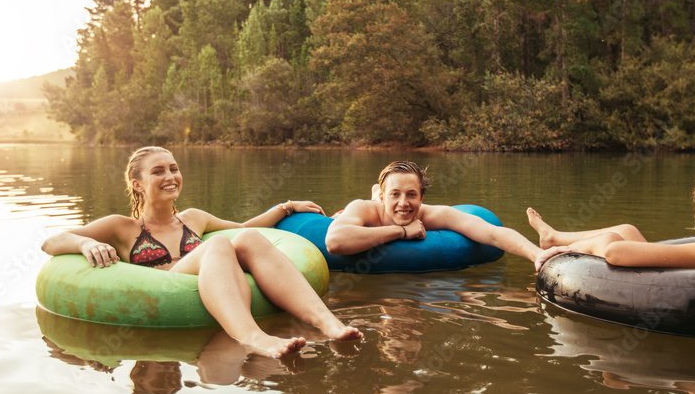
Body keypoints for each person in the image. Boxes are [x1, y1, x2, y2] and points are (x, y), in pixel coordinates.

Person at [41, 146, 362, 359]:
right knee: (219, 244)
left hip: (211, 276)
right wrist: (86, 243)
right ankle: (253, 337)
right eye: (158, 172)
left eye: (173, 169)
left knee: (245, 238)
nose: (170, 177)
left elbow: (246, 227)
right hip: (166, 287)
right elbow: (51, 242)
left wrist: (287, 207)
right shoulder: (121, 227)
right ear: (137, 184)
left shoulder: (194, 218)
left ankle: (328, 323)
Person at [528, 160, 695, 272]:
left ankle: (560, 244)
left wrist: (573, 250)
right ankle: (552, 236)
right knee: (628, 228)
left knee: (613, 239)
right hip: (667, 277)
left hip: (655, 290)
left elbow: (614, 253)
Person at [324, 160, 547, 265]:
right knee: (371, 204)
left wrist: (536, 254)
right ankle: (376, 190)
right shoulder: (363, 208)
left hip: (383, 206)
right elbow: (334, 242)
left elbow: (492, 233)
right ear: (383, 199)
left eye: (412, 194)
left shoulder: (432, 215)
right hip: (367, 212)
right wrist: (400, 232)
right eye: (395, 194)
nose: (404, 203)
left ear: (422, 198)